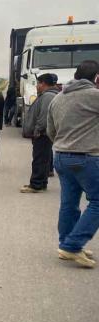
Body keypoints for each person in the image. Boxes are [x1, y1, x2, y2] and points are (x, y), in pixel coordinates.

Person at [47, 60, 99, 268]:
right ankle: (73, 244)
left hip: (61, 155)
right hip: (86, 156)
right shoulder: (94, 96)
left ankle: (66, 243)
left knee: (69, 202)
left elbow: (51, 130)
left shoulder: (58, 98)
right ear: (96, 78)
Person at [20, 73, 59, 193]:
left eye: (38, 83)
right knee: (44, 159)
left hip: (42, 134)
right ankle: (41, 183)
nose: (37, 86)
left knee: (39, 159)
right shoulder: (48, 95)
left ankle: (36, 185)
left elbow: (44, 118)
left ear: (43, 84)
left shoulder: (47, 97)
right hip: (43, 133)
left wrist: (38, 131)